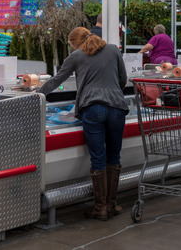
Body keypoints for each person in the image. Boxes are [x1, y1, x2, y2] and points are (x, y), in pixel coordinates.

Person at [38, 28, 128, 220]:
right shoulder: (113, 49)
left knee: (98, 159)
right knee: (114, 156)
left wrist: (36, 96)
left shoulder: (76, 56)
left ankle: (100, 208)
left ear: (74, 43)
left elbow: (56, 81)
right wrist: (112, 93)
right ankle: (112, 205)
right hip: (117, 107)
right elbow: (123, 79)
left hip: (93, 109)